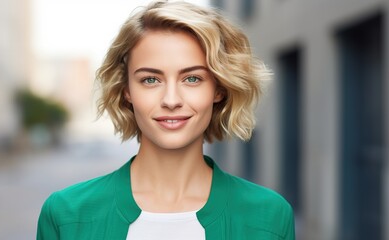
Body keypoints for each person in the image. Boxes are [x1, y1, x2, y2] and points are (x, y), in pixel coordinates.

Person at [37, 1, 295, 239]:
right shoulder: (66, 215)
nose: (171, 100)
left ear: (219, 89)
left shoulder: (269, 217)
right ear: (127, 90)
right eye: (151, 79)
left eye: (192, 78)